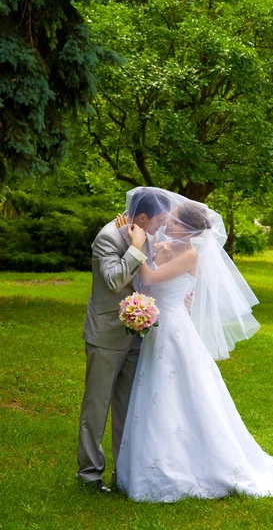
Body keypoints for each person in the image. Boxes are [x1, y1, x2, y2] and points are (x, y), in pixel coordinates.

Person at [116, 188, 273, 502]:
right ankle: (148, 461)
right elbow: (142, 282)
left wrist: (130, 241)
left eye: (174, 221)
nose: (167, 223)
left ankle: (193, 465)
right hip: (157, 330)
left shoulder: (190, 255)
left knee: (178, 392)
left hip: (175, 332)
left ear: (189, 229)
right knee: (153, 394)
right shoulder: (162, 246)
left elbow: (148, 278)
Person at [77, 188, 171, 493]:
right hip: (106, 333)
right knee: (97, 405)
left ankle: (124, 473)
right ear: (142, 217)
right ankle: (90, 475)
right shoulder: (108, 237)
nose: (161, 226)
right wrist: (134, 247)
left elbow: (151, 277)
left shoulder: (148, 234)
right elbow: (115, 279)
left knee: (128, 407)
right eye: (158, 220)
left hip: (138, 334)